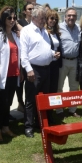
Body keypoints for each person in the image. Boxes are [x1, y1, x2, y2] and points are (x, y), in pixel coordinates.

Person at [20, 7, 60, 138]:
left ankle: (40, 123)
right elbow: (24, 54)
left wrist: (53, 54)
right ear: (34, 17)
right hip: (34, 70)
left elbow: (44, 49)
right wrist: (29, 70)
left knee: (43, 98)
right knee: (31, 99)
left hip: (46, 69)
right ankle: (28, 127)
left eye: (45, 18)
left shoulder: (45, 32)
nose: (44, 21)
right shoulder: (27, 31)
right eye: (42, 18)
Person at [0, 7, 21, 141]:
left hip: (14, 75)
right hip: (3, 75)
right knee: (1, 104)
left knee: (8, 103)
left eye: (14, 18)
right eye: (9, 18)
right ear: (3, 19)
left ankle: (5, 126)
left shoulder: (16, 35)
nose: (12, 20)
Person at [56, 7, 81, 118]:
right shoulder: (59, 28)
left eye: (74, 15)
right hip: (62, 61)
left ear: (76, 17)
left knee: (74, 87)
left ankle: (72, 109)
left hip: (75, 61)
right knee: (59, 87)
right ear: (65, 17)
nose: (71, 17)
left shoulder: (79, 28)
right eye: (69, 15)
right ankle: (59, 110)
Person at [15, 2, 34, 113]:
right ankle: (20, 102)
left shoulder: (36, 23)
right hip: (22, 56)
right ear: (24, 11)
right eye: (29, 9)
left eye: (33, 9)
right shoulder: (19, 22)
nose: (31, 10)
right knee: (20, 81)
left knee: (29, 82)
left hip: (32, 57)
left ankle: (28, 102)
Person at [45, 9, 63, 94]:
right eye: (52, 18)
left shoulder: (56, 32)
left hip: (56, 64)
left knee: (54, 87)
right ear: (47, 19)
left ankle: (51, 107)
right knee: (46, 88)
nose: (54, 21)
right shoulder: (43, 32)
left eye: (56, 19)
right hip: (47, 64)